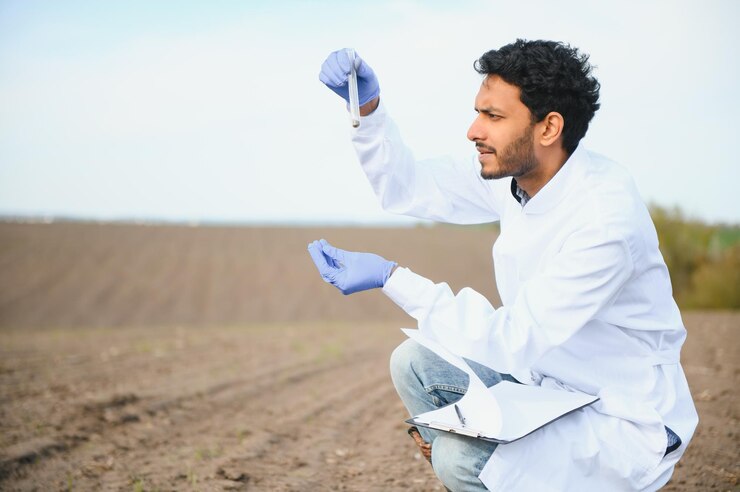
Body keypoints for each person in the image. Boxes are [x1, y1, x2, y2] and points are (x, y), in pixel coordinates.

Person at [307, 40, 698, 491]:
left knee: (461, 459)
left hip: (622, 418)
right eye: (478, 112)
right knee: (415, 362)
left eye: (493, 117)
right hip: (546, 388)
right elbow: (407, 186)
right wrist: (369, 109)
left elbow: (512, 340)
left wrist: (391, 277)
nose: (474, 130)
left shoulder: (604, 221)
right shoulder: (518, 175)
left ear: (548, 127)